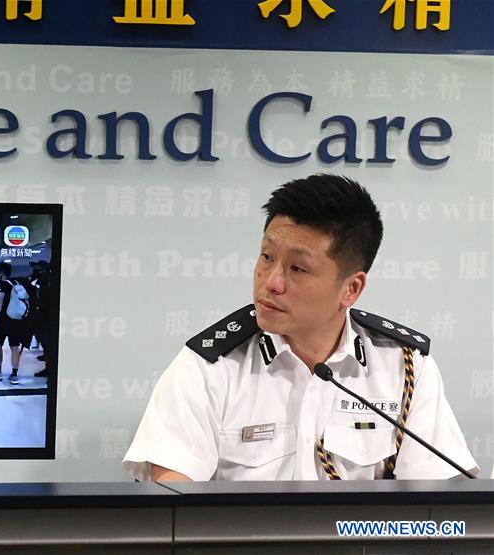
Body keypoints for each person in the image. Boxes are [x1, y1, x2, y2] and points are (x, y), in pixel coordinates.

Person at [123, 174, 479, 481]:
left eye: (297, 269)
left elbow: (438, 510)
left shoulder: (404, 366)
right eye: (266, 257)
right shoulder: (209, 367)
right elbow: (172, 509)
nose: (271, 282)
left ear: (351, 288)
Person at [0, 262, 32, 385]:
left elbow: (0, 301)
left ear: (1, 272)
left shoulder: (2, 284)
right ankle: (14, 374)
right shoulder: (16, 283)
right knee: (15, 347)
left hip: (3, 320)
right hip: (16, 320)